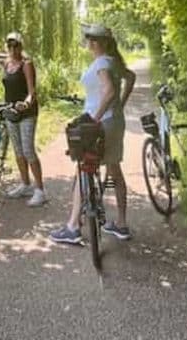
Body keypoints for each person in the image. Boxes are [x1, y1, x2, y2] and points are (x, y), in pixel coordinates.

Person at [50, 23, 136, 244]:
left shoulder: (101, 63)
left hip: (100, 124)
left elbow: (108, 91)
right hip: (116, 122)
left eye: (89, 39)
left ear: (94, 42)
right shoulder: (115, 61)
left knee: (84, 167)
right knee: (114, 169)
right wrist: (120, 105)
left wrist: (95, 117)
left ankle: (72, 226)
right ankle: (122, 225)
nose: (88, 42)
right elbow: (131, 77)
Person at [2, 31, 46, 207]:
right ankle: (25, 184)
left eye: (16, 45)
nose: (13, 49)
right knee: (18, 151)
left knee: (28, 150)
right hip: (11, 112)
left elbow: (31, 92)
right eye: (10, 45)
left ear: (21, 46)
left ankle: (40, 190)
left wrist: (26, 103)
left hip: (27, 112)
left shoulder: (26, 64)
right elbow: (7, 87)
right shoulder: (6, 64)